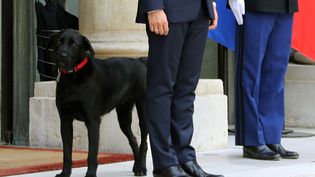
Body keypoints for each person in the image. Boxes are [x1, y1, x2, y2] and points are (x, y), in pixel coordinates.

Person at [136, 0, 223, 176]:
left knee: (186, 88)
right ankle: (165, 162)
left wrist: (211, 4)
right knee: (162, 87)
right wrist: (153, 6)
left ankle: (185, 158)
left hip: (200, 10)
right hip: (168, 9)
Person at [229, 0, 300, 160]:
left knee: (276, 71)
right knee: (250, 70)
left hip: (284, 4)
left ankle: (271, 136)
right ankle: (251, 139)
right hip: (255, 3)